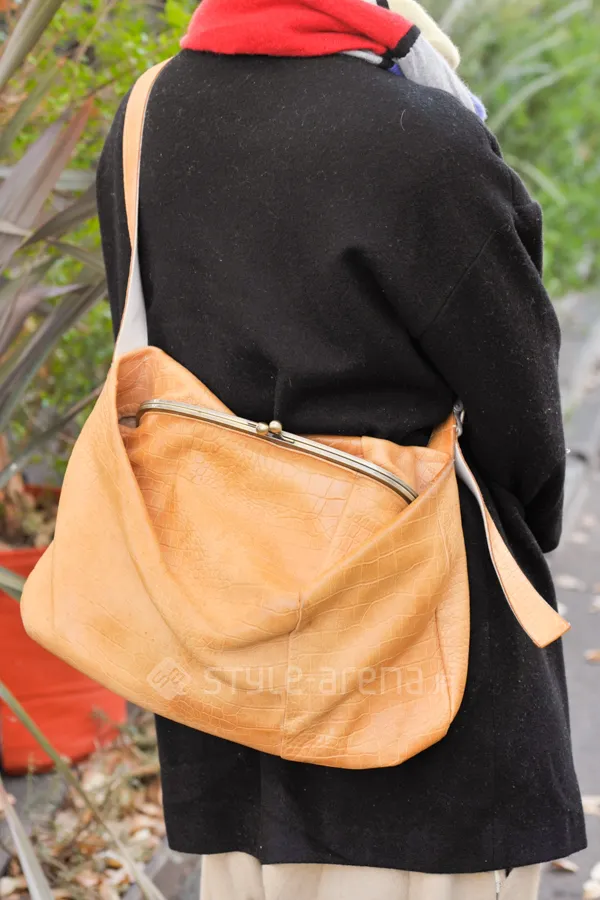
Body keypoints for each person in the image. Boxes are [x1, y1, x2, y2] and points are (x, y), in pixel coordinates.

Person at [96, 0, 586, 896]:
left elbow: (146, 347)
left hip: (226, 631)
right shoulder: (423, 138)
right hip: (416, 634)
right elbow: (521, 416)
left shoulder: (146, 115)